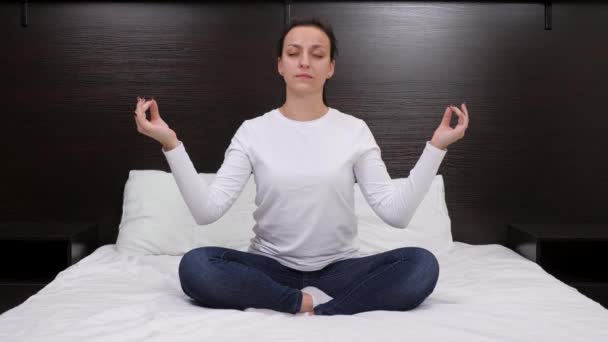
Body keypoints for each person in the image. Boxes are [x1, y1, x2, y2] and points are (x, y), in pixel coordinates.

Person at [132, 17, 469, 316]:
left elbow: (395, 213)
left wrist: (436, 147)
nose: (304, 62)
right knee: (196, 266)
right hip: (269, 266)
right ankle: (301, 302)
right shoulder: (253, 131)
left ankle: (328, 308)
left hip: (340, 269)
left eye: (317, 54)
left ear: (331, 66)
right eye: (294, 53)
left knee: (421, 265)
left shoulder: (355, 130)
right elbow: (207, 210)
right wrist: (170, 143)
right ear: (280, 64)